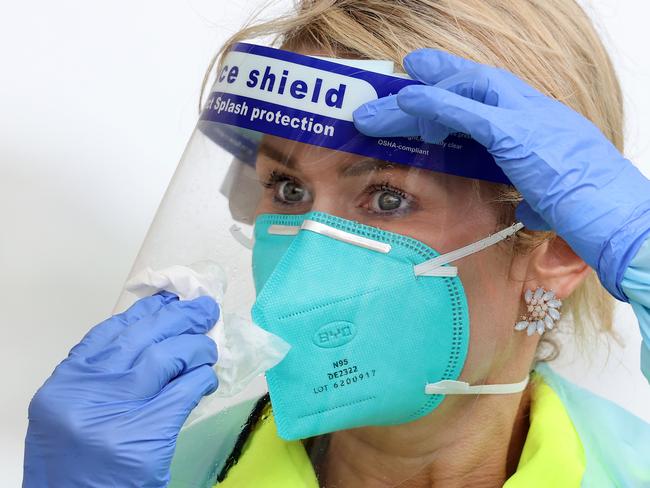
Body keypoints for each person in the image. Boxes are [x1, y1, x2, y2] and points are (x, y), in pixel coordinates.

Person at [23, 1, 650, 487]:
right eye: (288, 189)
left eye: (387, 198)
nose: (300, 261)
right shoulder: (150, 469)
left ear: (561, 245)